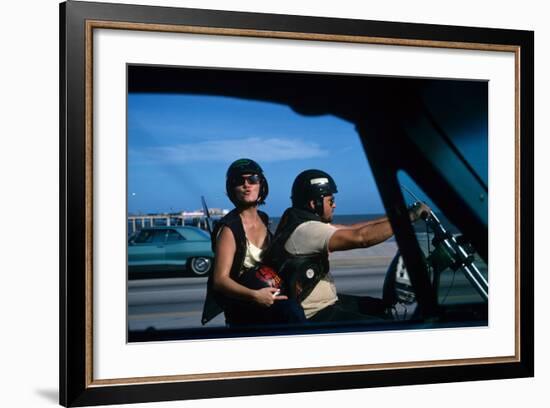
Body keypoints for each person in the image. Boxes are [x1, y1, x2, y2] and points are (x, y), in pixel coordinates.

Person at [263, 169, 430, 323]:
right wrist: (409, 218)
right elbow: (361, 237)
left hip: (326, 303)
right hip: (316, 313)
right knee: (382, 327)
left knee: (380, 307)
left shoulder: (300, 223)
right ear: (314, 204)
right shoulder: (308, 231)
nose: (334, 205)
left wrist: (399, 215)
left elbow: (354, 228)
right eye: (331, 200)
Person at [201, 159, 306, 327]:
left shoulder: (263, 219)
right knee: (292, 312)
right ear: (231, 189)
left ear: (261, 185)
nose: (246, 185)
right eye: (238, 181)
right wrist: (254, 295)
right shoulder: (230, 229)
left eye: (253, 179)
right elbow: (220, 281)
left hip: (270, 301)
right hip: (245, 308)